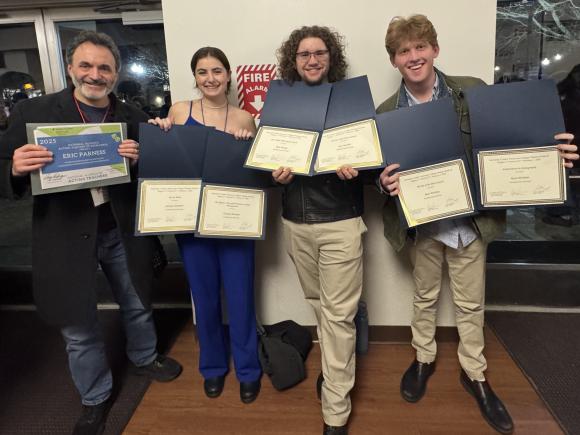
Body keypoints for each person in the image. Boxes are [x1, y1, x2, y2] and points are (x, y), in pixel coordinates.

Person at [376, 15, 578, 434]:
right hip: (425, 224)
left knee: (470, 303)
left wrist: (549, 152)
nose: (413, 57)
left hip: (470, 222)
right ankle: (424, 359)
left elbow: (509, 136)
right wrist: (383, 182)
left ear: (434, 49)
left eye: (420, 47)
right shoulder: (385, 113)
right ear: (395, 61)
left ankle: (475, 374)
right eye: (403, 52)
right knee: (424, 297)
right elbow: (380, 175)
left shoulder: (471, 91)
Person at [0, 31, 182, 435]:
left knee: (136, 301)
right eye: (86, 65)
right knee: (78, 326)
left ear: (115, 73)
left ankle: (144, 356)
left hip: (120, 229)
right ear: (70, 68)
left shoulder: (132, 116)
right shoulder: (35, 113)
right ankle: (95, 397)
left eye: (104, 67)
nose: (95, 74)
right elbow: (3, 166)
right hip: (64, 235)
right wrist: (14, 168)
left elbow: (155, 173)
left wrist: (140, 160)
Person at [149, 46, 262, 404]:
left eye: (216, 71)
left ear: (228, 75)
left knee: (241, 298)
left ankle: (248, 370)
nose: (210, 78)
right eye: (202, 72)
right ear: (195, 77)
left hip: (233, 223)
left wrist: (248, 145)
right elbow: (169, 159)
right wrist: (161, 130)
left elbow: (256, 175)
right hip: (192, 223)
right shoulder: (180, 111)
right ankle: (212, 368)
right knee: (205, 298)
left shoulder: (245, 118)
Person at [273, 26, 366, 435]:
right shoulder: (280, 107)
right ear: (293, 60)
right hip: (296, 223)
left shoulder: (351, 103)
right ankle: (334, 369)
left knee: (340, 317)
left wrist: (356, 172)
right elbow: (263, 165)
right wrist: (273, 176)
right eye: (304, 54)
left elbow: (376, 165)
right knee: (319, 306)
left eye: (320, 53)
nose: (312, 60)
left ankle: (336, 410)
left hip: (340, 222)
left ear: (332, 58)